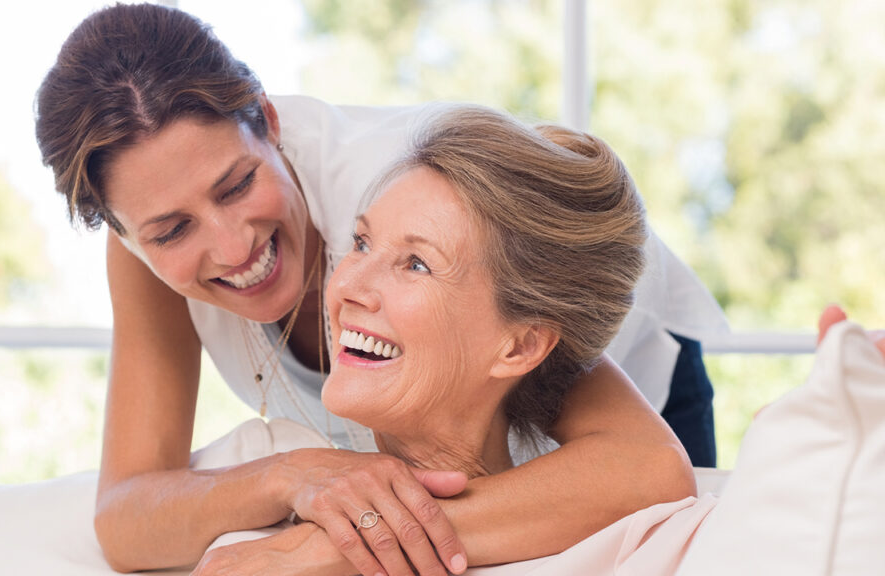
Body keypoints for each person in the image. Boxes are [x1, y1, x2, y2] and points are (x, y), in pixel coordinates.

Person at [34, 4, 716, 574]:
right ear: (124, 234)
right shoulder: (145, 245)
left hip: (626, 365)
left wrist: (320, 551)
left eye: (238, 185)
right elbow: (127, 515)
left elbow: (645, 467)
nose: (233, 246)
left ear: (269, 123)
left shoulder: (396, 203)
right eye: (171, 230)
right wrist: (290, 475)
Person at [193, 104, 689, 574]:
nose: (347, 287)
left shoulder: (633, 545)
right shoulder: (255, 487)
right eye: (361, 243)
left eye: (416, 264)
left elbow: (656, 469)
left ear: (519, 347)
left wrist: (362, 543)